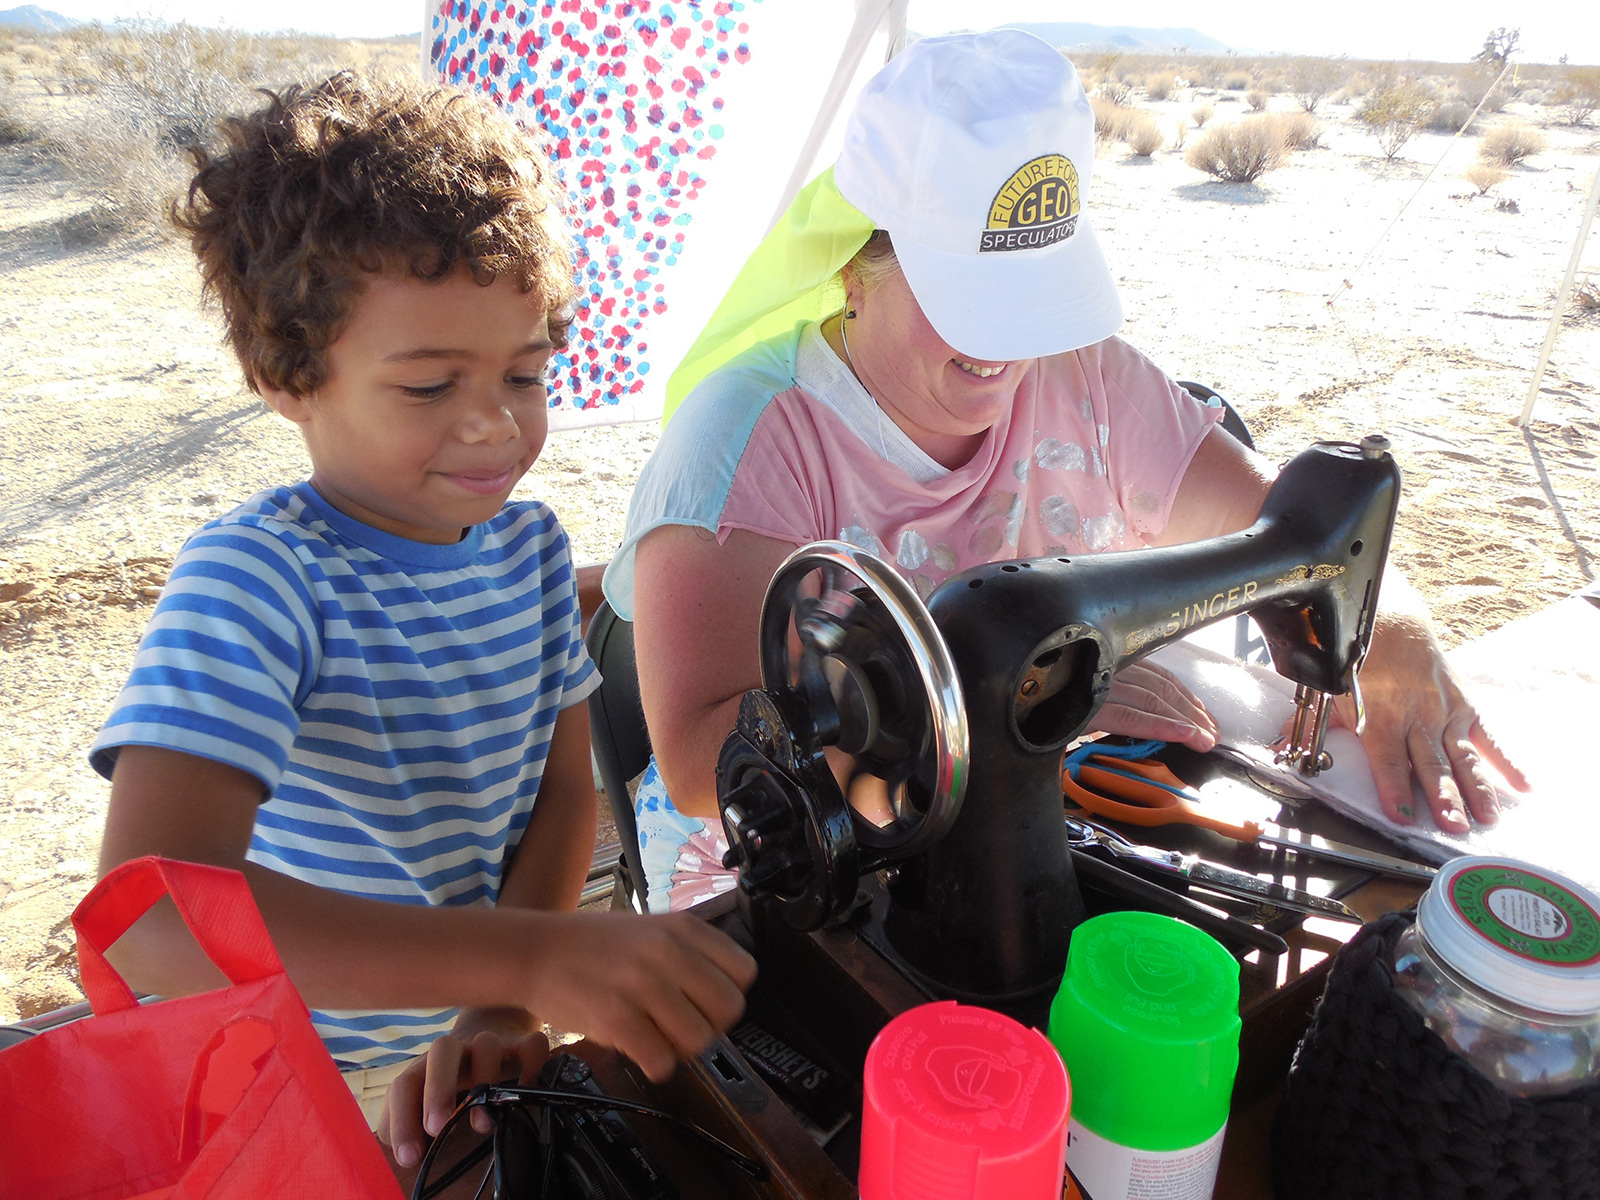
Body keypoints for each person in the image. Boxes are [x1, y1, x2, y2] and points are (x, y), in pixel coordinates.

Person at [602, 30, 1524, 913]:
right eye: (971, 296)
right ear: (856, 264)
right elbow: (697, 758)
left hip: (1033, 814)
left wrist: (1392, 625)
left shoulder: (1084, 375)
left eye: (1030, 298)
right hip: (791, 869)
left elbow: (1290, 529)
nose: (1008, 346)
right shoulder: (748, 440)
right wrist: (1023, 710)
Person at [89, 74, 755, 1170]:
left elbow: (555, 795)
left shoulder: (530, 551)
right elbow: (153, 917)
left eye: (524, 372)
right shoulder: (260, 582)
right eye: (429, 386)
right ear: (286, 376)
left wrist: (500, 1001)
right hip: (290, 1078)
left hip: (464, 1054)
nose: (493, 426)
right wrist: (522, 963)